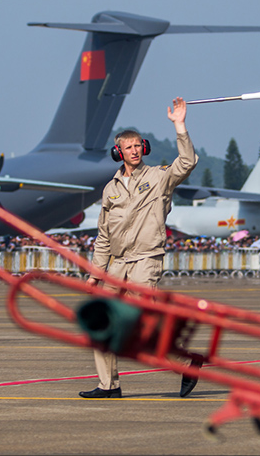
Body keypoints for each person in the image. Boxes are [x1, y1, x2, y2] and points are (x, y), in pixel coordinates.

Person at [79, 97, 200, 400]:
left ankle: (188, 363)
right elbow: (104, 235)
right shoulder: (111, 188)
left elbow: (186, 163)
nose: (133, 151)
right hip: (116, 265)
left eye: (137, 146)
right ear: (118, 152)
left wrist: (179, 125)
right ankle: (109, 385)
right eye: (128, 147)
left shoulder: (159, 178)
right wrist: (96, 271)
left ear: (143, 148)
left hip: (146, 261)